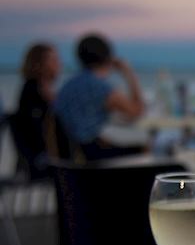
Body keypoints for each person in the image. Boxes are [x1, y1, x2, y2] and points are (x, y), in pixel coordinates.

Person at [54, 33, 145, 161]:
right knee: (146, 147)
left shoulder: (67, 86)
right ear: (108, 58)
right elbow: (136, 111)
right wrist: (129, 73)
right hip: (92, 159)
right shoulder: (100, 87)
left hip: (71, 158)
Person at [13, 43, 61, 174]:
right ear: (39, 63)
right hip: (41, 160)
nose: (58, 63)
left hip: (44, 157)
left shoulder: (41, 90)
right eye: (53, 59)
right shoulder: (33, 91)